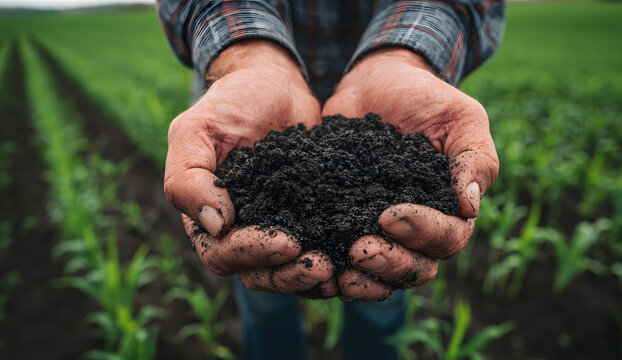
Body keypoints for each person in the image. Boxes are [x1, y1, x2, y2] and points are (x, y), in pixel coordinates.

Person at [157, 1, 505, 359]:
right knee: (262, 282)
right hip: (248, 115)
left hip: (392, 100)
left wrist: (404, 57)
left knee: (381, 283)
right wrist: (247, 56)